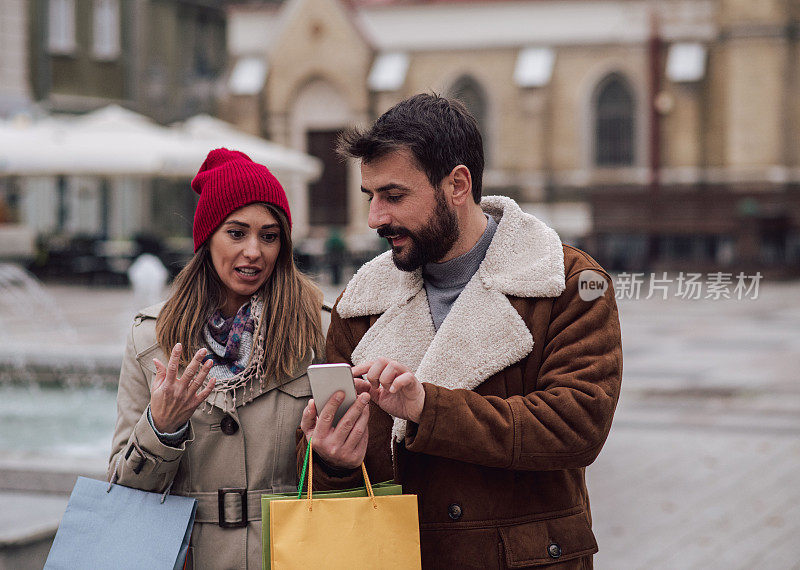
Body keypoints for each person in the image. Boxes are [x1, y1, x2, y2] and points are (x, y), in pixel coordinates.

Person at [299, 94, 622, 568]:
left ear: (457, 184)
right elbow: (343, 464)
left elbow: (578, 426)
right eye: (371, 197)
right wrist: (329, 462)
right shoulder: (362, 300)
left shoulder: (567, 281)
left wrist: (429, 408)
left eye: (394, 195)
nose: (375, 219)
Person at [109, 148, 324, 569]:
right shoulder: (151, 339)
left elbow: (350, 461)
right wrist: (162, 427)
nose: (254, 251)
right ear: (208, 238)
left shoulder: (318, 330)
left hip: (293, 555)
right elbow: (122, 486)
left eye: (269, 235)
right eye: (236, 232)